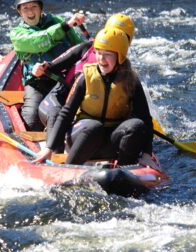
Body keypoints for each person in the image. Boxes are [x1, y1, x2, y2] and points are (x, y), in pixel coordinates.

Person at [34, 27, 154, 166]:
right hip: (82, 135)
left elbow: (145, 118)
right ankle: (70, 168)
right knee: (94, 127)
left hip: (110, 139)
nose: (101, 59)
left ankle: (124, 170)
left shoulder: (131, 80)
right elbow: (66, 114)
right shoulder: (86, 77)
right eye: (98, 53)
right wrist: (49, 148)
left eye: (107, 54)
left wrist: (147, 153)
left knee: (136, 125)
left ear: (120, 56)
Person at [33, 14, 135, 151]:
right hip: (61, 100)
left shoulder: (124, 68)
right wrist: (40, 68)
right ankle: (53, 151)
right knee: (57, 113)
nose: (116, 38)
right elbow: (52, 67)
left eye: (123, 37)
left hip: (87, 114)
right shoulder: (85, 48)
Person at [10, 0, 85, 131]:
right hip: (37, 82)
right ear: (19, 12)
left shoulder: (56, 21)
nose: (30, 12)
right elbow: (40, 40)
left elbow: (78, 47)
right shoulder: (16, 34)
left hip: (63, 80)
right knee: (32, 123)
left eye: (34, 7)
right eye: (25, 8)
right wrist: (66, 25)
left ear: (41, 8)